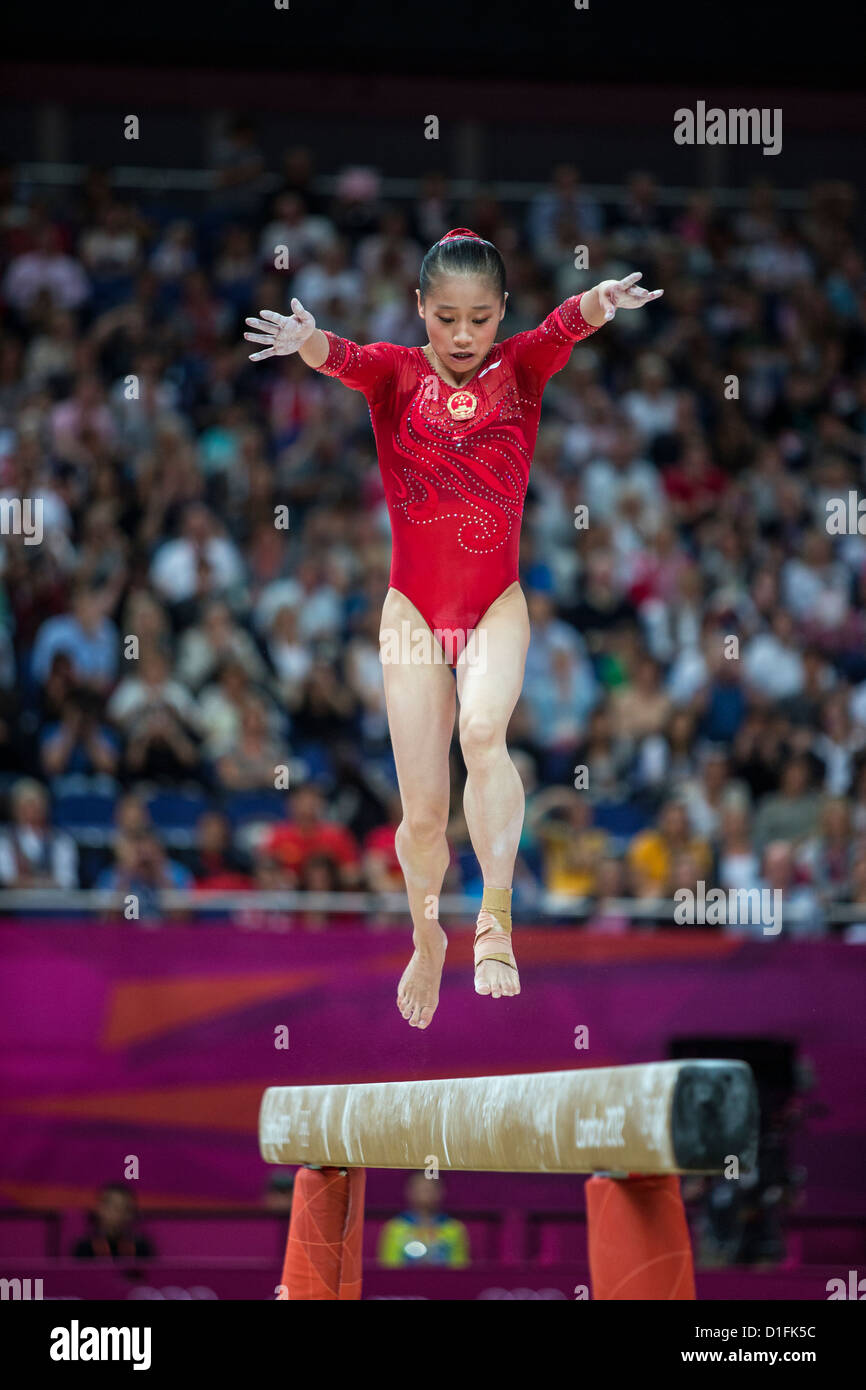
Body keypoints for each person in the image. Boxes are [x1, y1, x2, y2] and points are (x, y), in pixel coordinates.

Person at [245, 228, 663, 1028]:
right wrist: (308, 342)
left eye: (479, 318)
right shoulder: (395, 376)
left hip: (496, 602)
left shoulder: (522, 367)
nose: (464, 336)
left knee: (482, 733)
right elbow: (344, 357)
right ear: (420, 311)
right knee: (425, 817)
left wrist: (601, 302)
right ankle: (427, 934)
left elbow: (560, 329)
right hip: (410, 612)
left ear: (501, 311)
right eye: (446, 319)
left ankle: (496, 916)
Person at [377, 1173, 469, 1268]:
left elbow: (459, 1269)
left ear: (441, 1192)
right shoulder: (395, 1228)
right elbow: (389, 1268)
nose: (425, 1194)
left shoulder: (454, 1228)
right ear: (409, 1192)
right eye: (420, 1190)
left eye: (430, 1189)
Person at [72, 1182, 154, 1259]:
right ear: (99, 1209)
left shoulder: (140, 1246)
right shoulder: (85, 1246)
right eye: (114, 1207)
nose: (119, 1213)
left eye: (125, 1208)